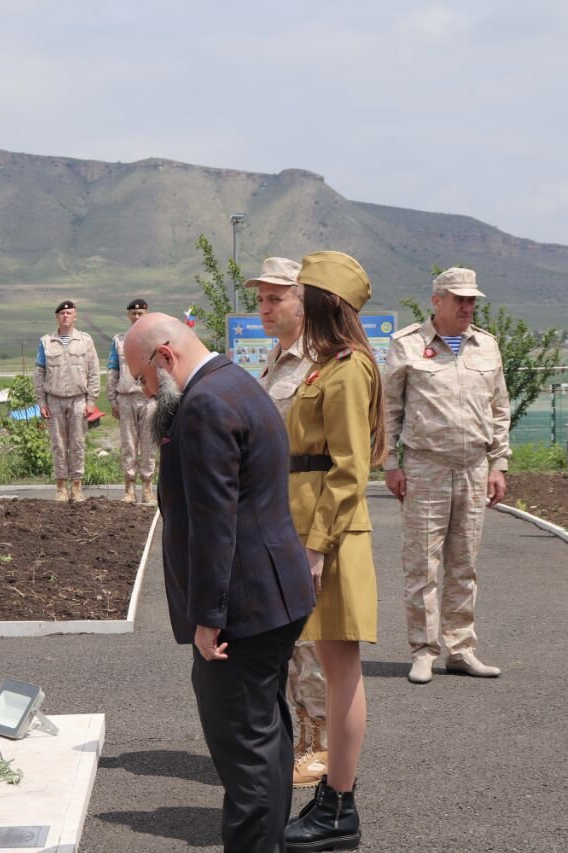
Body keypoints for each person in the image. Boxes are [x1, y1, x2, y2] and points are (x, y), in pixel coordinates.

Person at [125, 313, 314, 853]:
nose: (144, 392)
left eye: (143, 378)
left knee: (245, 755)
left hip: (244, 607)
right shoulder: (236, 381)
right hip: (276, 594)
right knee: (268, 738)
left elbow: (214, 522)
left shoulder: (205, 404)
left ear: (165, 357)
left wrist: (209, 617)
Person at [281, 250, 386, 853]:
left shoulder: (348, 371)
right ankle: (334, 800)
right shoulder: (328, 366)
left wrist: (316, 547)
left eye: (301, 292)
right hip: (316, 534)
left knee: (342, 674)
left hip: (334, 541)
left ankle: (339, 808)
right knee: (335, 667)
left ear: (323, 302)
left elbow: (349, 470)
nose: (293, 300)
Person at [383, 267, 510, 684]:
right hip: (425, 467)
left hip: (474, 467)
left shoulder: (487, 346)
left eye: (472, 299)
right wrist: (391, 464)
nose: (467, 306)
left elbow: (499, 409)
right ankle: (423, 650)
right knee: (422, 564)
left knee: (464, 564)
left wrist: (498, 463)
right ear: (436, 301)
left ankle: (460, 649)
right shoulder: (407, 346)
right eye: (459, 299)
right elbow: (389, 411)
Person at [246, 257, 329, 789]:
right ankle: (301, 734)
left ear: (303, 299)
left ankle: (322, 744)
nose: (266, 307)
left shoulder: (323, 360)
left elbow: (342, 455)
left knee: (314, 635)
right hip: (277, 511)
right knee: (291, 634)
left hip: (308, 510)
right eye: (261, 298)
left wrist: (320, 536)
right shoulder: (274, 360)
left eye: (276, 297)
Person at [33, 300, 101, 502]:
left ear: (75, 316)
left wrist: (91, 401)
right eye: (62, 314)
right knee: (58, 445)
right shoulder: (46, 341)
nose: (65, 316)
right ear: (57, 317)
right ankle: (61, 487)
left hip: (78, 400)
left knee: (78, 444)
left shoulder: (85, 341)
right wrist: (41, 402)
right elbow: (39, 373)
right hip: (54, 400)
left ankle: (77, 487)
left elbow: (94, 372)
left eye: (69, 313)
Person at [107, 298, 158, 504]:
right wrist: (113, 400)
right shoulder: (119, 340)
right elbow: (113, 370)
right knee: (128, 445)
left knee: (149, 445)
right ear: (128, 315)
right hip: (126, 397)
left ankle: (147, 488)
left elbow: (162, 370)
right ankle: (129, 489)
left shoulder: (156, 339)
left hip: (149, 399)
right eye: (133, 314)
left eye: (141, 314)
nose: (137, 317)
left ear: (147, 313)